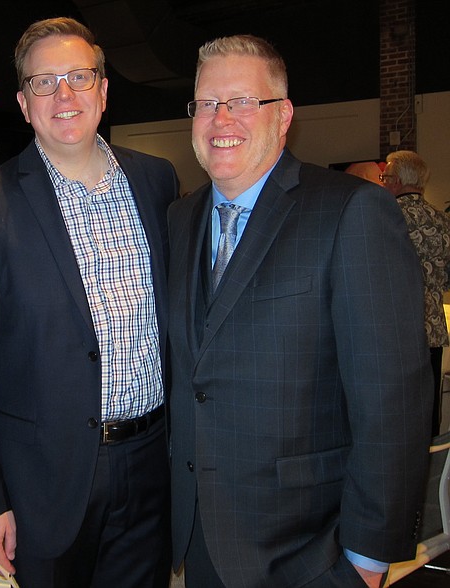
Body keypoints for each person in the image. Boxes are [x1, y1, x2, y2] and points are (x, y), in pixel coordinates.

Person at [168, 34, 432, 587]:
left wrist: (366, 561)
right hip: (202, 539)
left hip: (311, 549)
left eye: (242, 101)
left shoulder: (352, 212)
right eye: (207, 103)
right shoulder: (180, 219)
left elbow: (393, 402)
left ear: (283, 115)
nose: (221, 119)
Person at [0, 17, 178, 587]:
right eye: (44, 82)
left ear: (103, 89)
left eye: (79, 77)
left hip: (152, 460)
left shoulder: (158, 181)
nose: (65, 95)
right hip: (43, 479)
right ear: (25, 103)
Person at [383, 150, 450, 437]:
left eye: (385, 177)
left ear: (396, 181)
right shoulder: (441, 220)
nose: (383, 183)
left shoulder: (387, 217)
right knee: (428, 411)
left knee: (395, 413)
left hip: (394, 329)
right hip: (433, 328)